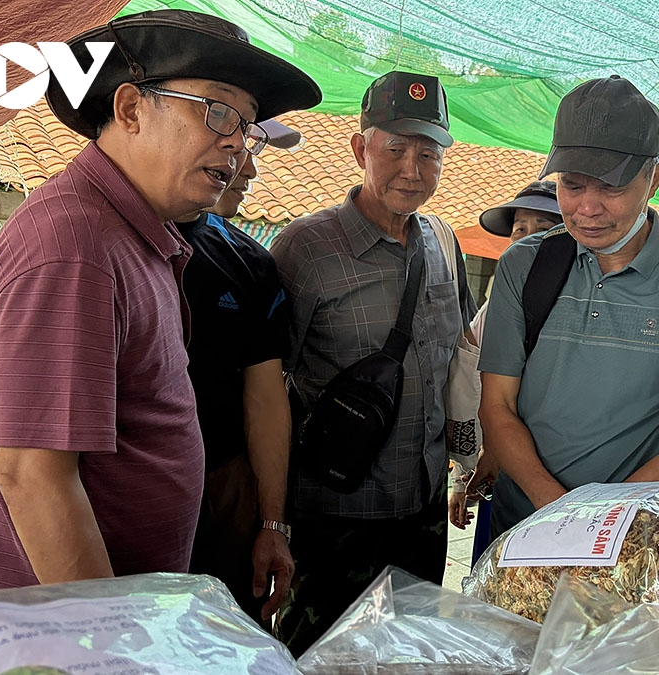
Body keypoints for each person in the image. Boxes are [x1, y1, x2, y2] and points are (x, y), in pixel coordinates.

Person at [0, 9, 321, 592]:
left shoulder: (141, 236)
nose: (237, 140)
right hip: (71, 636)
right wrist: (107, 643)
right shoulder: (75, 246)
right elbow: (34, 476)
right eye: (218, 109)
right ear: (130, 108)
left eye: (248, 125)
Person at [478, 75, 659, 538]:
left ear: (653, 179)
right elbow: (497, 405)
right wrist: (556, 513)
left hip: (635, 543)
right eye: (572, 185)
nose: (587, 207)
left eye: (610, 187)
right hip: (521, 530)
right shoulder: (526, 265)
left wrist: (600, 523)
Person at [271, 71, 475, 655]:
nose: (412, 170)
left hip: (423, 509)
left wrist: (464, 460)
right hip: (336, 514)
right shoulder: (305, 249)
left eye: (428, 154)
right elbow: (264, 388)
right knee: (318, 654)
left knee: (409, 653)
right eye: (395, 149)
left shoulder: (442, 240)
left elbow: (456, 363)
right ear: (361, 148)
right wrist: (271, 518)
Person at [174, 118, 302, 628]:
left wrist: (272, 521)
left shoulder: (250, 262)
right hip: (117, 500)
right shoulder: (91, 240)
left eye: (252, 148)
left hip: (224, 492)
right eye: (233, 144)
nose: (247, 168)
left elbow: (267, 400)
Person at [448, 180, 562, 563]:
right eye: (520, 230)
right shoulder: (493, 310)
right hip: (507, 486)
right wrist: (466, 473)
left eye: (544, 230)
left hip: (568, 493)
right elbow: (474, 394)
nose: (528, 241)